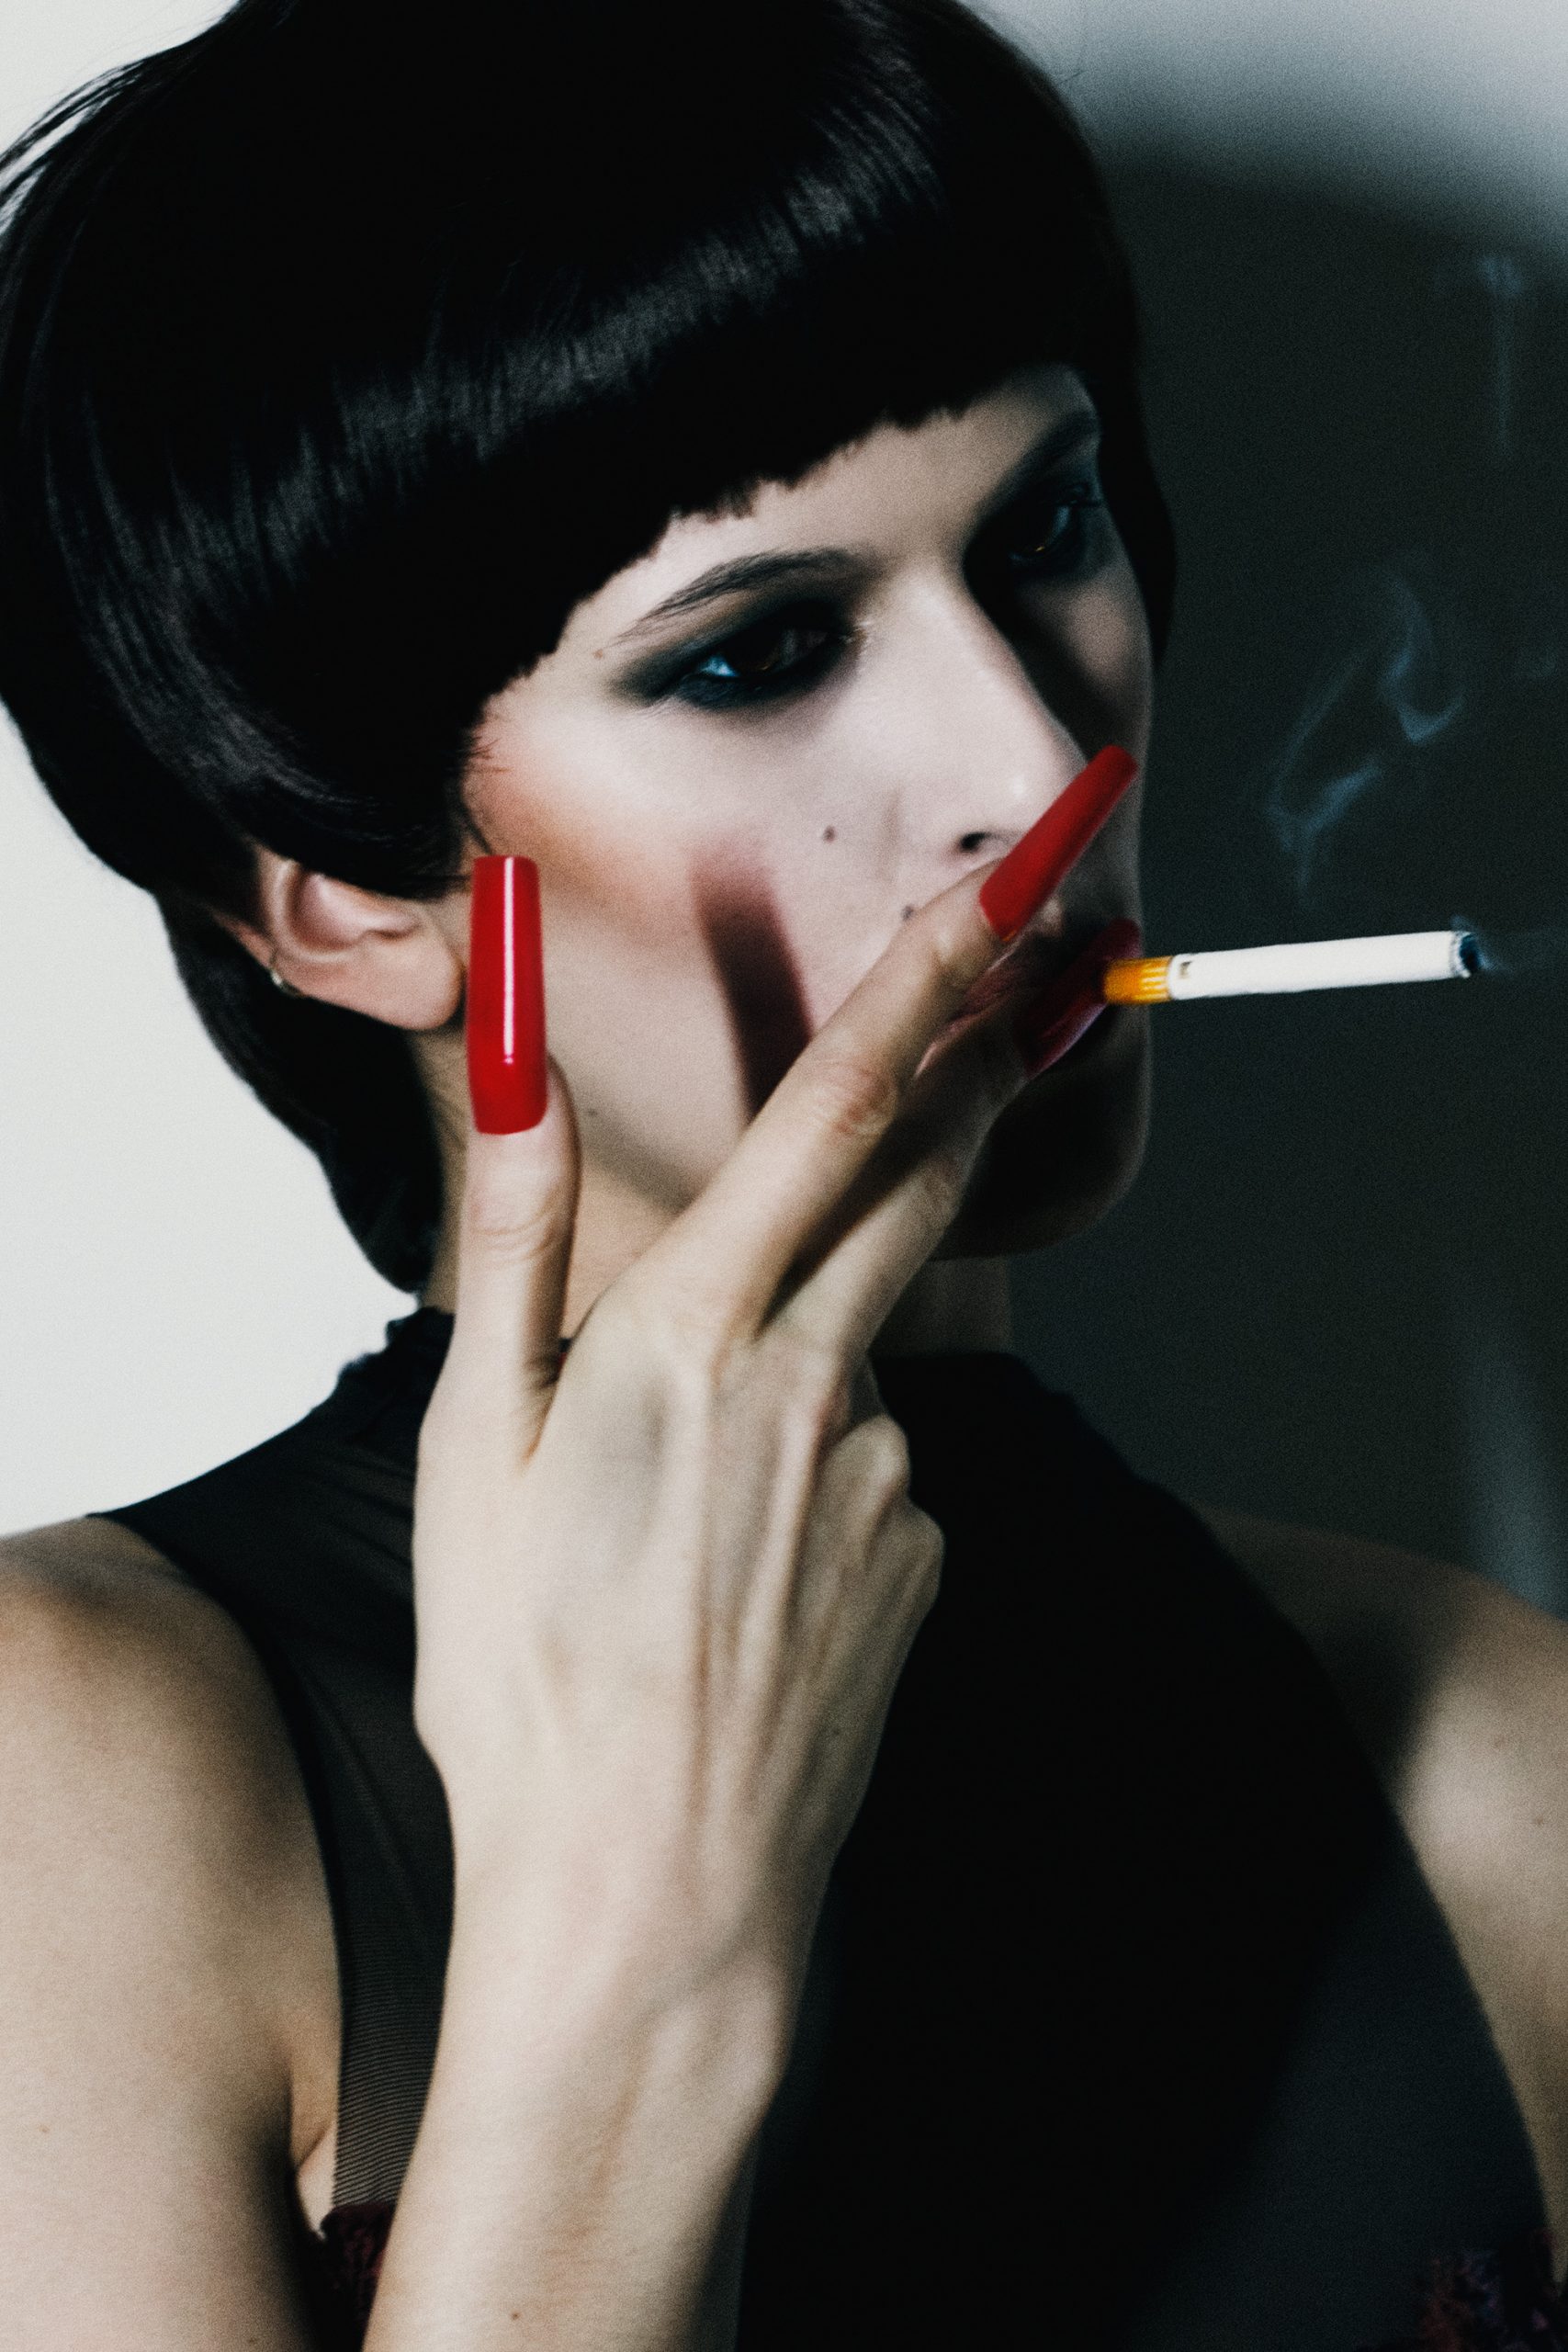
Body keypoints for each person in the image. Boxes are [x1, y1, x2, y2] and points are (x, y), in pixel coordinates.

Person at [2, 1, 1567, 2345]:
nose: (1026, 765)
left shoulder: (1491, 1763)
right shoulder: (75, 1777)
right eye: (756, 656)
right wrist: (630, 1951)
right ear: (348, 896)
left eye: (1044, 531)